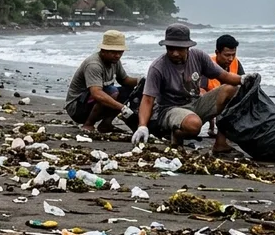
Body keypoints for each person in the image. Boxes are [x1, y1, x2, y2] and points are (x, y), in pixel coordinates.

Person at [131, 24, 255, 153]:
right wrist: (142, 126)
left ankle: (220, 143)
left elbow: (224, 76)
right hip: (170, 109)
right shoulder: (158, 67)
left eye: (179, 49)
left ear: (188, 47)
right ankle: (177, 134)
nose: (175, 53)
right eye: (170, 48)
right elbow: (148, 99)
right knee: (194, 125)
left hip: (195, 103)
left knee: (231, 89)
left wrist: (242, 79)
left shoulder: (198, 56)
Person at [63, 29, 140, 133]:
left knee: (128, 91)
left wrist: (142, 80)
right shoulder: (94, 64)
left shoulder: (114, 61)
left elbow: (125, 80)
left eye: (120, 52)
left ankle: (106, 124)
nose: (117, 55)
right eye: (113, 52)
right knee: (111, 91)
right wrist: (122, 108)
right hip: (77, 107)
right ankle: (88, 124)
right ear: (103, 51)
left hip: (92, 102)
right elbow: (96, 93)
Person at [203, 35, 244, 137]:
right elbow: (200, 90)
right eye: (227, 55)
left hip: (229, 101)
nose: (230, 59)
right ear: (217, 52)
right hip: (209, 101)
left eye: (233, 54)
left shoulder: (236, 63)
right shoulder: (207, 64)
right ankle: (212, 127)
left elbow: (243, 83)